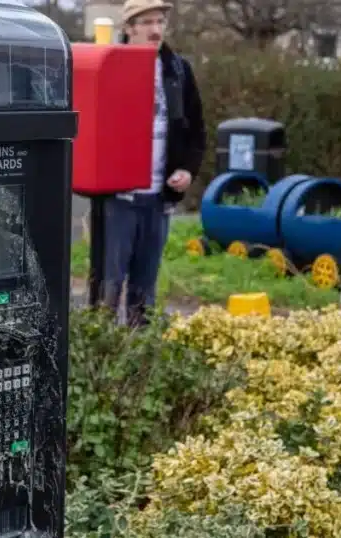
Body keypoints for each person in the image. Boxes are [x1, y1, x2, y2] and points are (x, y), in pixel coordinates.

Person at [100, 0, 206, 326]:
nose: (156, 30)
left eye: (160, 21)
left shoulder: (177, 69)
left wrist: (187, 169)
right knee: (108, 287)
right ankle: (100, 359)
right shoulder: (109, 65)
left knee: (145, 291)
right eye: (146, 22)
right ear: (129, 28)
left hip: (159, 199)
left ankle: (139, 364)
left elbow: (196, 129)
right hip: (118, 199)